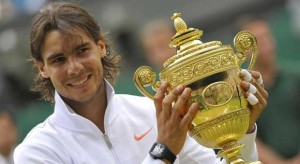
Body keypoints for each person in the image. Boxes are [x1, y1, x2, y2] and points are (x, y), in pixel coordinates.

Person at [14, 2, 268, 163]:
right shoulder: (37, 151)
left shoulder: (152, 113)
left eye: (82, 51)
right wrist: (164, 150)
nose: (74, 68)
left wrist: (241, 134)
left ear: (101, 47)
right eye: (58, 59)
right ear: (42, 68)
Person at [237, 16, 300, 164]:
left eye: (267, 36)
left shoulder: (295, 77)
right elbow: (246, 136)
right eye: (257, 41)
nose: (265, 43)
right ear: (243, 51)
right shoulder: (241, 92)